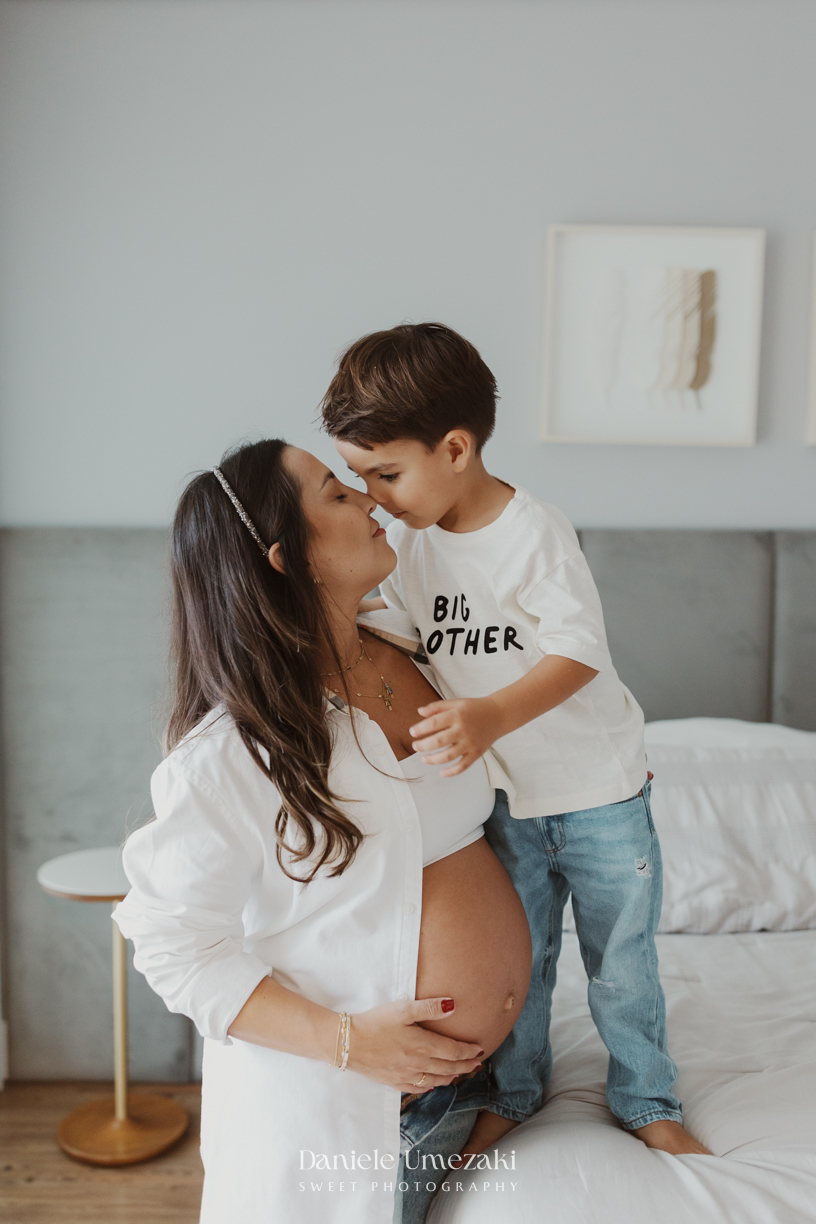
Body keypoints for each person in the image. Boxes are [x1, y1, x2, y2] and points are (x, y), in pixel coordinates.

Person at [113, 437, 533, 1224]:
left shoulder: (414, 651)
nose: (371, 500)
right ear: (286, 557)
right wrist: (350, 1042)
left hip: (478, 1091)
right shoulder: (230, 754)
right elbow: (171, 944)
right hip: (356, 1108)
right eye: (338, 496)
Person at [320, 322, 711, 1158]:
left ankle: (647, 1097)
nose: (374, 498)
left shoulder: (533, 531)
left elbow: (579, 652)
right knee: (520, 966)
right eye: (360, 480)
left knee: (622, 964)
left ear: (455, 448)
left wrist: (490, 716)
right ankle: (517, 1089)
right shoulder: (412, 550)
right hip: (507, 803)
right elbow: (384, 633)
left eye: (385, 474)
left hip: (599, 793)